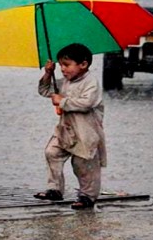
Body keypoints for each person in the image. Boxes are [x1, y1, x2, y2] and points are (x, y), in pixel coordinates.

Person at [34, 43, 107, 210]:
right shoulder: (64, 81)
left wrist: (63, 101)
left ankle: (87, 196)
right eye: (60, 65)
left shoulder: (91, 82)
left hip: (85, 131)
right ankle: (55, 189)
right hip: (66, 129)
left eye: (67, 65)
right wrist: (48, 73)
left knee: (83, 164)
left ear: (83, 64)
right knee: (52, 152)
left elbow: (86, 103)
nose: (63, 69)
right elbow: (45, 91)